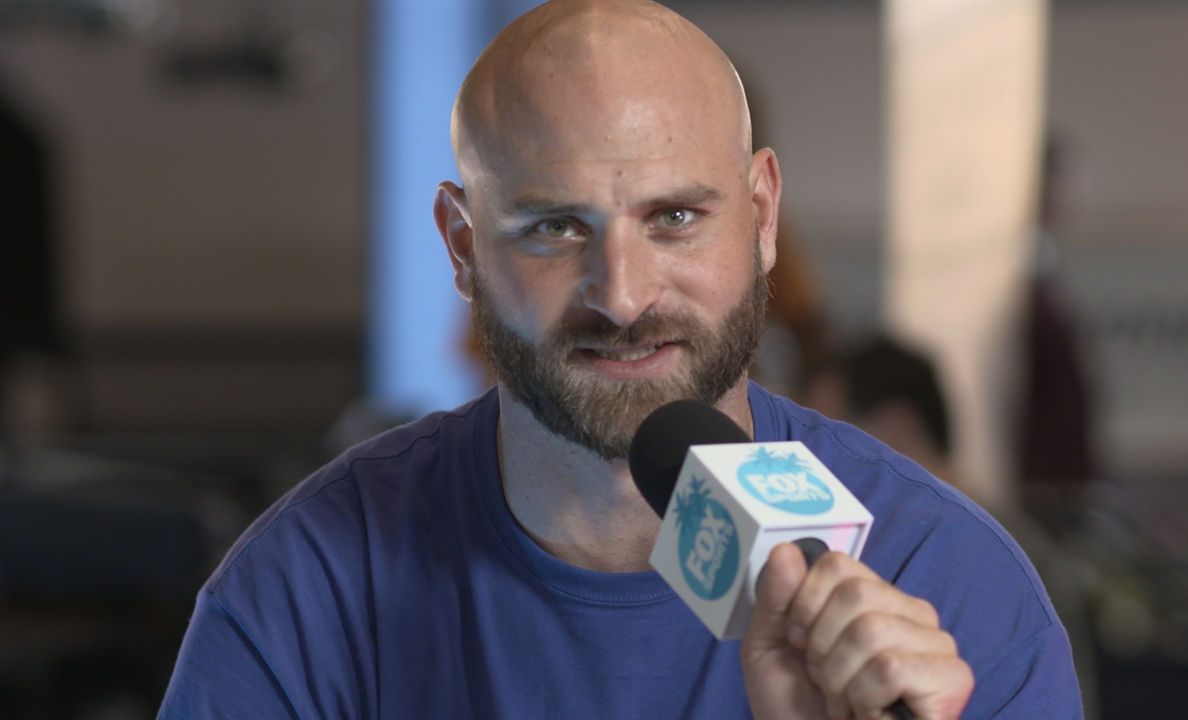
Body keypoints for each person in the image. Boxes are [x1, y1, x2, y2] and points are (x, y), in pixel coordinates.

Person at [159, 2, 1081, 718]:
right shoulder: (309, 587)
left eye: (675, 218)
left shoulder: (942, 586)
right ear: (460, 244)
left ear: (761, 219)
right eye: (556, 228)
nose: (624, 295)